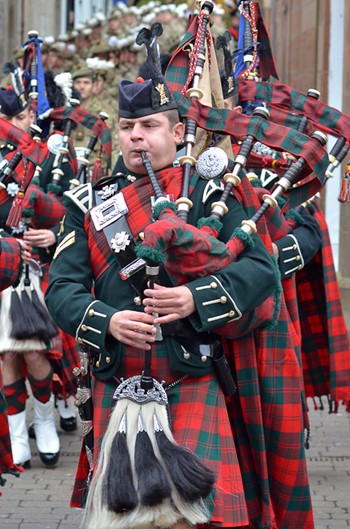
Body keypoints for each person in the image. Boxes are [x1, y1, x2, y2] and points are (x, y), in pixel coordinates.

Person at [45, 74, 278, 528]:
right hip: (118, 377)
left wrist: (194, 297)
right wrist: (108, 321)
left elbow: (260, 271)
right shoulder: (89, 202)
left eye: (149, 125)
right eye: (128, 125)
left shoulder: (212, 194)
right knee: (125, 518)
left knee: (185, 517)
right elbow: (62, 288)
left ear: (176, 132)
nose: (136, 135)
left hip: (190, 372)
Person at [0, 87, 65, 468]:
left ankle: (45, 424)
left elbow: (60, 209)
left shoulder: (27, 158)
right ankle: (16, 431)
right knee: (8, 353)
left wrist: (51, 232)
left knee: (35, 351)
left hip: (28, 273)